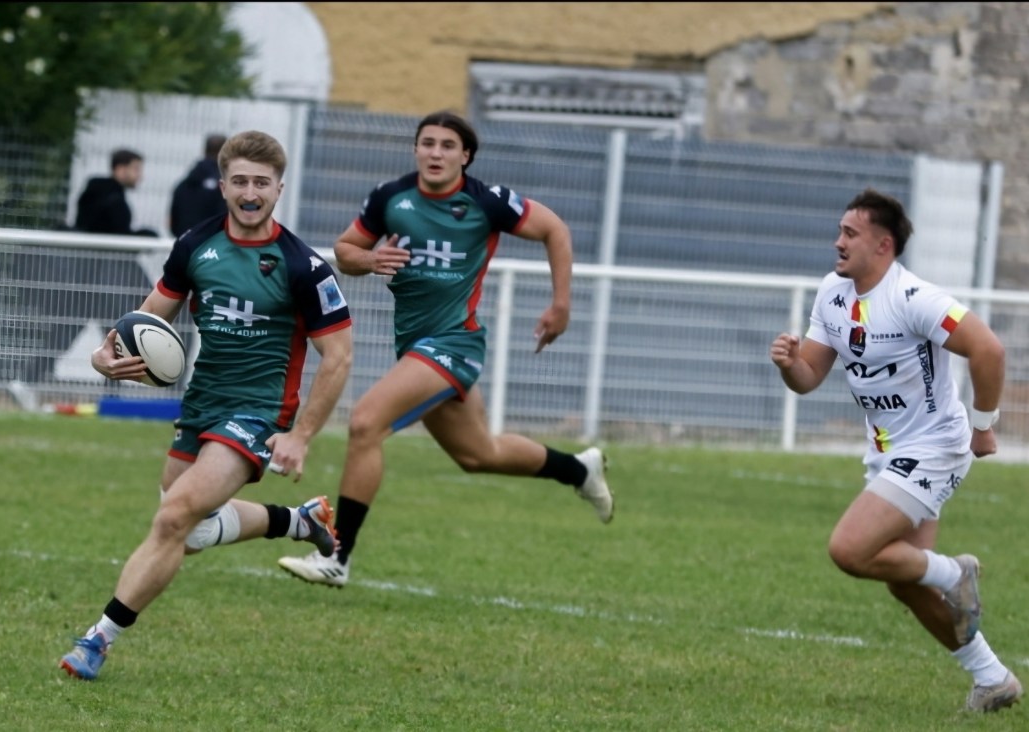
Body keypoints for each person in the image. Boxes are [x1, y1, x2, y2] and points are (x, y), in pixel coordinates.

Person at [59, 130, 354, 681]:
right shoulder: (196, 246)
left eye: (261, 183)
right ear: (222, 186)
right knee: (191, 532)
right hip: (201, 404)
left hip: (259, 413)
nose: (250, 193)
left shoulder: (304, 266)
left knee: (174, 517)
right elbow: (149, 317)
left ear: (279, 188)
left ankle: (98, 638)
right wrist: (107, 354)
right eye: (240, 181)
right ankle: (298, 520)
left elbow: (337, 357)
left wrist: (300, 435)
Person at [277, 110, 613, 588]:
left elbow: (554, 229)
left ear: (465, 156)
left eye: (448, 145)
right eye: (428, 143)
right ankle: (579, 469)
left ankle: (337, 556)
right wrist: (371, 258)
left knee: (366, 422)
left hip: (456, 342)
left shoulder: (486, 201)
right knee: (478, 454)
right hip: (416, 349)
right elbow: (345, 250)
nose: (436, 153)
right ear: (416, 150)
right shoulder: (391, 197)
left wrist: (561, 304)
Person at [769, 189, 1021, 713]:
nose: (837, 242)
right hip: (888, 452)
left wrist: (983, 427)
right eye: (839, 231)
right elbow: (810, 376)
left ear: (883, 245)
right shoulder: (832, 293)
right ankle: (992, 678)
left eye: (850, 234)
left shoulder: (913, 298)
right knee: (902, 580)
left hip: (935, 445)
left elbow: (988, 349)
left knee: (849, 549)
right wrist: (790, 364)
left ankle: (954, 574)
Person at [74, 148, 158, 236]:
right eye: (136, 169)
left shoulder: (108, 193)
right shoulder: (110, 197)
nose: (140, 176)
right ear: (120, 169)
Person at [169, 133, 229, 237]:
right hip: (213, 243)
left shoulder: (184, 184)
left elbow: (174, 223)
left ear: (205, 150)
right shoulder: (225, 184)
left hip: (185, 241)